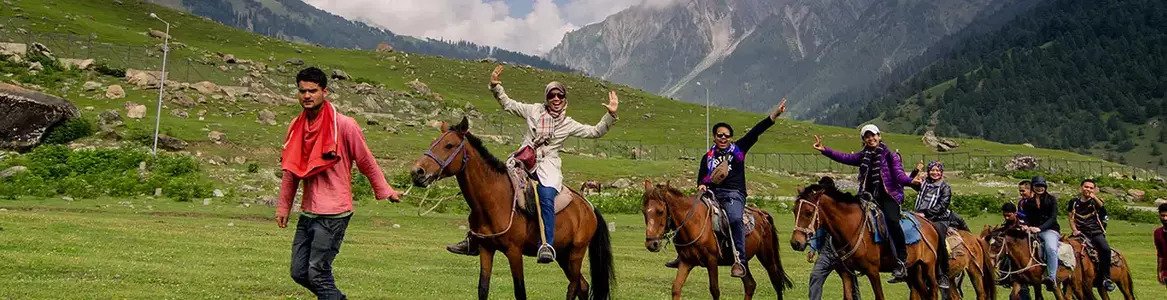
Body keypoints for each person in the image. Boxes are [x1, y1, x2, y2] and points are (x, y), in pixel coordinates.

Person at [447, 65, 619, 264]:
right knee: (490, 190)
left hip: (547, 166)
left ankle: (547, 245)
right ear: (547, 98)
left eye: (560, 96)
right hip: (522, 161)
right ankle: (474, 239)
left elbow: (594, 132)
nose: (556, 99)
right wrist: (495, 87)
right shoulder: (534, 110)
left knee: (546, 195)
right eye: (552, 95)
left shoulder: (568, 123)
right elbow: (508, 104)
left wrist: (610, 115)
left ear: (565, 100)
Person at [277, 67, 402, 299]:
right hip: (309, 211)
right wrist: (283, 206)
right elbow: (291, 170)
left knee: (317, 273)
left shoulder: (345, 125)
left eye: (312, 91)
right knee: (298, 272)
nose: (307, 96)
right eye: (302, 91)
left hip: (334, 212)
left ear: (324, 91)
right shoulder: (296, 127)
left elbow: (366, 161)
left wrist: (385, 191)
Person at [664, 97, 785, 278]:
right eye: (720, 135)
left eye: (726, 135)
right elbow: (701, 179)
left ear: (731, 138)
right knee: (685, 213)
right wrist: (702, 186)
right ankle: (682, 255)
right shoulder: (708, 157)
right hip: (712, 194)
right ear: (714, 137)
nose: (723, 138)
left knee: (735, 219)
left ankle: (739, 260)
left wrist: (773, 115)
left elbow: (755, 132)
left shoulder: (738, 150)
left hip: (734, 195)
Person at [815, 124, 914, 282]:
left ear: (879, 136)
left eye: (873, 135)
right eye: (867, 136)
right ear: (864, 140)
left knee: (892, 221)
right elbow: (845, 158)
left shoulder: (890, 156)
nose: (871, 138)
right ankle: (858, 257)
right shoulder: (863, 156)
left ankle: (901, 260)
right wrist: (825, 150)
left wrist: (912, 182)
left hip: (889, 196)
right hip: (868, 197)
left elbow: (899, 175)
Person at [908, 161, 968, 288]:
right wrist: (915, 170)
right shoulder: (923, 184)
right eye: (932, 170)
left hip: (938, 218)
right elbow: (908, 181)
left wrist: (926, 213)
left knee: (940, 240)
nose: (935, 173)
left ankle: (943, 274)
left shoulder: (945, 187)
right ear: (928, 171)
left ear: (941, 172)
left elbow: (942, 205)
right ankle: (904, 267)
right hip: (919, 217)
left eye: (937, 170)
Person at [1067, 179, 1115, 291]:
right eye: (1086, 187)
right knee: (1066, 248)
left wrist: (1094, 197)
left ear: (1094, 190)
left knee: (1105, 249)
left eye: (1090, 188)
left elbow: (1102, 208)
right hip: (1080, 233)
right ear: (1081, 188)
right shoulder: (1073, 202)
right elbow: (1071, 218)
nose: (1088, 189)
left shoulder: (1095, 202)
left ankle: (1106, 278)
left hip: (1095, 232)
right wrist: (1074, 230)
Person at [1018, 176, 1060, 290]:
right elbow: (1026, 218)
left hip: (1050, 230)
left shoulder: (1051, 200)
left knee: (1051, 248)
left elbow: (1053, 218)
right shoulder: (1028, 203)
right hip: (1032, 230)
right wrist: (1025, 226)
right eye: (1037, 186)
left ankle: (1052, 277)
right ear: (1033, 187)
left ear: (1045, 187)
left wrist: (1040, 228)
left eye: (1042, 186)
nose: (1040, 188)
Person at [807, 228, 861, 300]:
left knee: (851, 284)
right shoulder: (827, 218)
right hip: (826, 253)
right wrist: (813, 248)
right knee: (816, 275)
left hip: (844, 255)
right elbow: (820, 230)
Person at [1156, 203, 1167, 286]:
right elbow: (1160, 254)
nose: (1165, 218)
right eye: (1163, 215)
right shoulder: (1158, 233)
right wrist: (1159, 271)